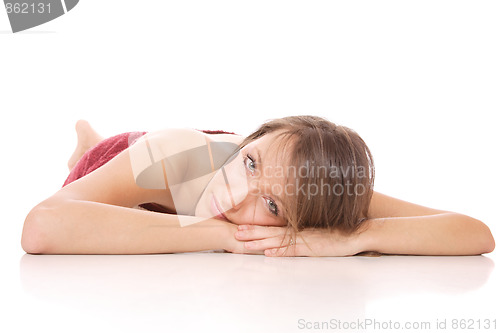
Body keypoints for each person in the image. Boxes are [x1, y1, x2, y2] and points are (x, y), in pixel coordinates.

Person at [21, 116, 495, 256]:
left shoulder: (314, 186)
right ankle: (90, 141)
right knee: (93, 161)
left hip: (251, 152)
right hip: (148, 158)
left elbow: (475, 233)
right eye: (249, 164)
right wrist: (222, 234)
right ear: (252, 138)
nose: (232, 198)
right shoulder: (180, 156)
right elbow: (43, 228)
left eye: (270, 205)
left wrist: (356, 235)